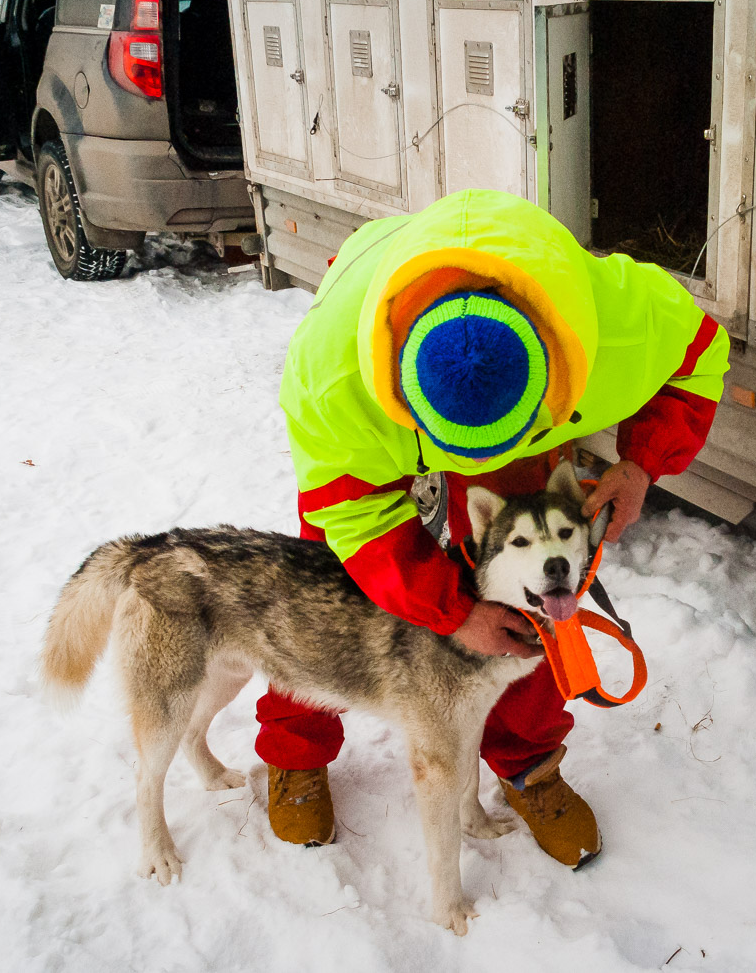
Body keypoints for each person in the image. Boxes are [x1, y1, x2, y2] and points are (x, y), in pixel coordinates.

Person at [268, 188, 729, 866]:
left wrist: (639, 465)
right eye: (459, 456)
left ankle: (528, 761)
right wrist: (452, 612)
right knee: (325, 580)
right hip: (374, 393)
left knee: (539, 580)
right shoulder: (330, 380)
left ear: (555, 369)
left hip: (519, 401)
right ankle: (295, 749)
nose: (467, 473)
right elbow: (358, 525)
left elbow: (702, 355)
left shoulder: (616, 324)